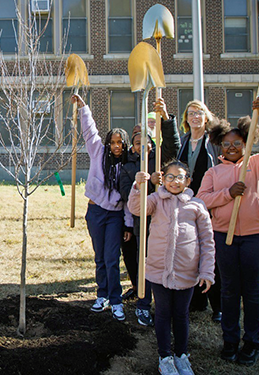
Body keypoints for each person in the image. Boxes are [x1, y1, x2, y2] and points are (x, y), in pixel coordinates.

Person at [197, 96, 259, 366]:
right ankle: (229, 340)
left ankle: (252, 343)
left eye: (237, 143)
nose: (232, 148)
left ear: (246, 142)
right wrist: (228, 193)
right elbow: (202, 200)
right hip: (223, 237)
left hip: (255, 238)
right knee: (228, 290)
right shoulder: (214, 173)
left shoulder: (258, 163)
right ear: (219, 147)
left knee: (251, 292)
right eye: (226, 144)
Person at [128, 161, 215, 375]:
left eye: (180, 177)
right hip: (159, 270)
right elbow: (137, 208)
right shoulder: (156, 200)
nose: (174, 181)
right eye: (170, 177)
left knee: (181, 314)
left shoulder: (197, 205)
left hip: (186, 271)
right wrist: (138, 186)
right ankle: (165, 356)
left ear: (188, 181)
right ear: (162, 179)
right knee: (163, 314)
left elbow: (207, 240)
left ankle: (181, 355)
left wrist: (206, 271)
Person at [119, 98, 181, 327]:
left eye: (145, 141)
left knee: (165, 261)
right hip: (141, 223)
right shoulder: (127, 167)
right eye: (136, 143)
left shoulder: (160, 161)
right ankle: (143, 304)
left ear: (151, 144)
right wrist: (145, 184)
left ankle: (166, 305)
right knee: (144, 263)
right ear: (132, 147)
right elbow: (126, 194)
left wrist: (165, 118)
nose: (140, 145)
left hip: (162, 221)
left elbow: (174, 146)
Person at [72, 94, 128, 321]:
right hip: (95, 212)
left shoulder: (128, 164)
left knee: (112, 258)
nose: (116, 146)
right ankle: (101, 295)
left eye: (119, 143)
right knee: (100, 258)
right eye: (113, 142)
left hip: (115, 216)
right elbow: (89, 130)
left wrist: (128, 223)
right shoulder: (98, 152)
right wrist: (83, 108)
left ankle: (116, 300)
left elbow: (128, 197)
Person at [168, 100, 223, 322]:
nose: (195, 117)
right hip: (187, 203)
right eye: (191, 113)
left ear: (206, 117)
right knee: (191, 252)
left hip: (208, 202)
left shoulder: (214, 142)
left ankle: (217, 304)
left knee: (211, 254)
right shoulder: (183, 141)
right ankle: (197, 300)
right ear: (186, 118)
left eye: (199, 113)